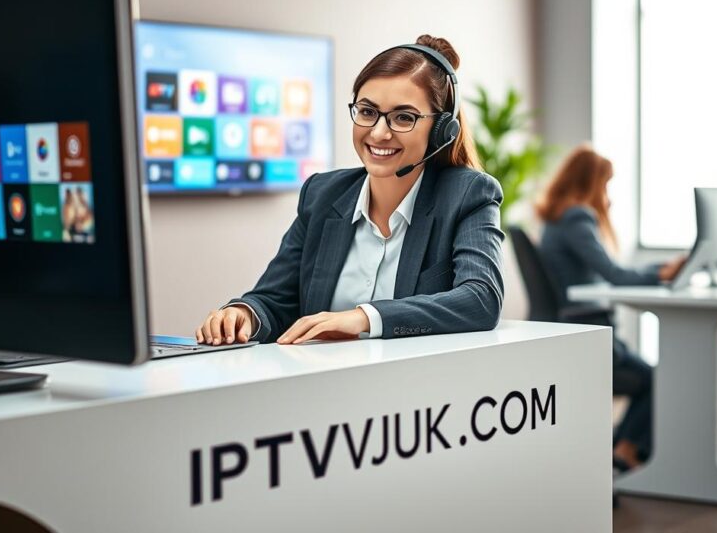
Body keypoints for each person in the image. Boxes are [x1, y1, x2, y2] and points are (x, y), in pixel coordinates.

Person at [196, 35, 504, 346]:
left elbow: (480, 299)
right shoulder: (322, 194)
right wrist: (243, 314)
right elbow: (275, 301)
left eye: (403, 118)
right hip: (324, 385)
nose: (379, 133)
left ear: (442, 130)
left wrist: (364, 318)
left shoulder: (468, 195)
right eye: (368, 112)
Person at [536, 145, 685, 470]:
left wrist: (659, 270)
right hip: (587, 334)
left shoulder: (556, 217)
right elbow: (615, 275)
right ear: (591, 183)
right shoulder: (577, 217)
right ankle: (627, 449)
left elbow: (611, 274)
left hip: (569, 332)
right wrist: (662, 273)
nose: (607, 193)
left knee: (654, 375)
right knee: (660, 377)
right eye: (605, 184)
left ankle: (625, 445)